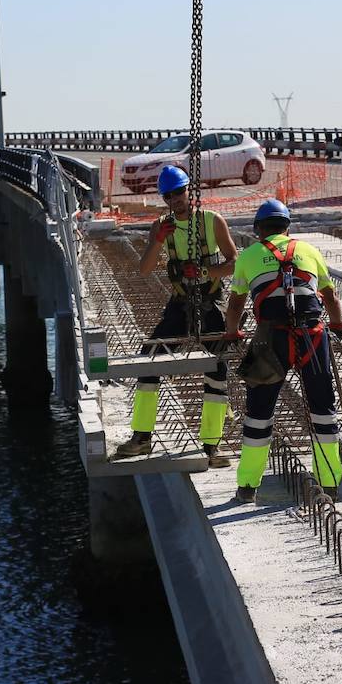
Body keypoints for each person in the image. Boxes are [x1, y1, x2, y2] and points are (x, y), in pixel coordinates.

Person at [223, 199, 342, 503]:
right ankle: (329, 485)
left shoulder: (249, 255)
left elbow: (236, 303)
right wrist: (337, 325)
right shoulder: (308, 251)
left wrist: (232, 333)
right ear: (287, 227)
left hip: (271, 340)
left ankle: (248, 486)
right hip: (312, 338)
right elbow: (329, 296)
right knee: (322, 411)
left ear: (258, 230)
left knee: (259, 413)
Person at [114, 165, 239, 467]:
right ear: (164, 198)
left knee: (217, 366)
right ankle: (142, 438)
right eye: (169, 196)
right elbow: (144, 270)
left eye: (180, 192)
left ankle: (212, 444)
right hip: (180, 303)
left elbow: (235, 262)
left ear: (189, 191)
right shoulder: (160, 226)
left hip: (211, 302)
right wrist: (158, 240)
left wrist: (207, 271)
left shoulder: (212, 221)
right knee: (150, 359)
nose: (176, 200)